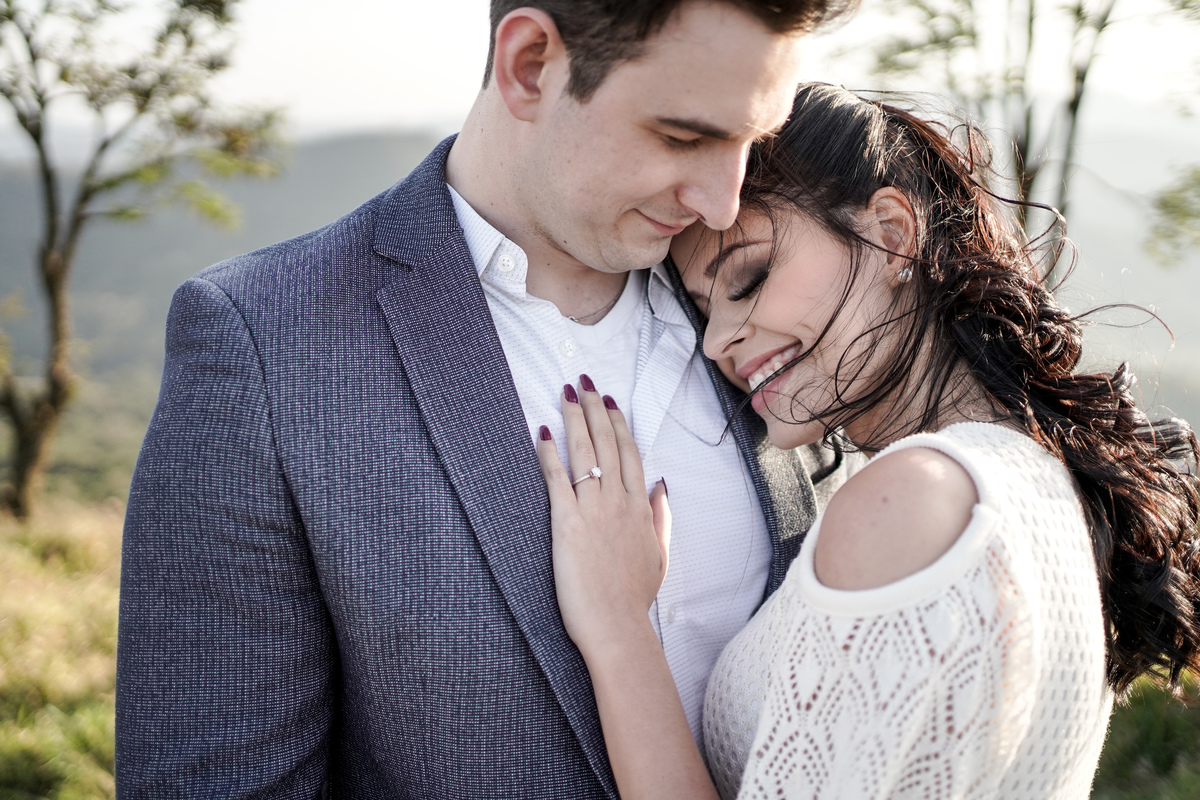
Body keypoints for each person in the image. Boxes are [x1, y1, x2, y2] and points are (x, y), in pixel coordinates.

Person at [114, 3, 862, 797]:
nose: (722, 200)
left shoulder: (773, 303)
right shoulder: (266, 343)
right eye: (684, 138)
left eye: (754, 141)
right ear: (531, 63)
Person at [539, 83, 1200, 799]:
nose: (720, 340)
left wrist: (616, 627)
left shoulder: (913, 500)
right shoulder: (1040, 480)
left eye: (750, 278)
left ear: (892, 233)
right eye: (701, 312)